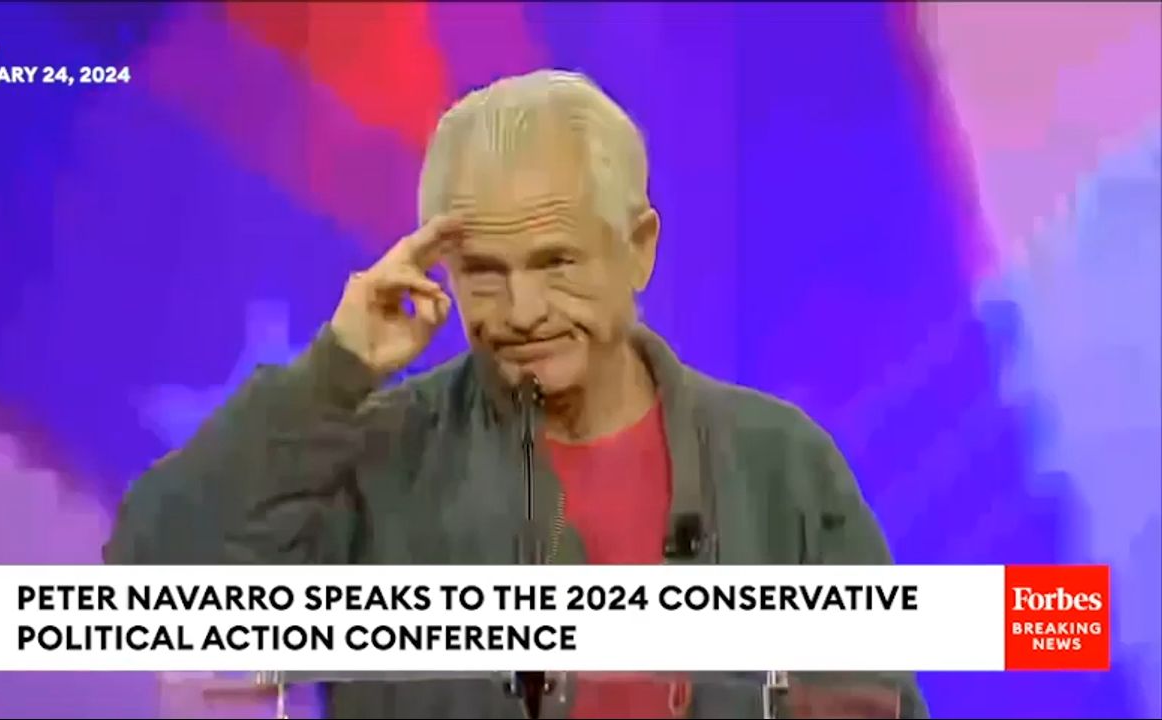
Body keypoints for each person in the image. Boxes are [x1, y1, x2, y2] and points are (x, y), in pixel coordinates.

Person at [105, 69, 929, 719]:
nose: (523, 311)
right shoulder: (374, 459)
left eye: (555, 263)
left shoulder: (779, 465)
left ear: (639, 248)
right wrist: (333, 372)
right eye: (483, 273)